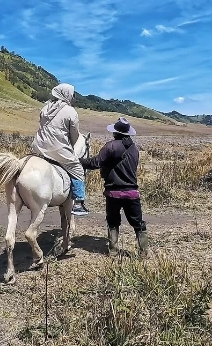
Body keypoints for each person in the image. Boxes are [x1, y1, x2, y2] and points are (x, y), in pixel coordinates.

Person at [80, 117, 148, 257]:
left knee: (113, 222)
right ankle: (143, 253)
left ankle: (113, 250)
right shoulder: (134, 149)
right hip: (132, 192)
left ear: (115, 132)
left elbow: (95, 162)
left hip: (113, 193)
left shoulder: (111, 146)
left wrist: (80, 161)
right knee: (138, 224)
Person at [31, 83, 89, 215]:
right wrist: (70, 144)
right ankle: (79, 203)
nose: (74, 97)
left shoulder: (45, 107)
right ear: (66, 94)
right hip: (58, 150)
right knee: (78, 169)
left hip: (38, 147)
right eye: (72, 95)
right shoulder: (70, 111)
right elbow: (74, 135)